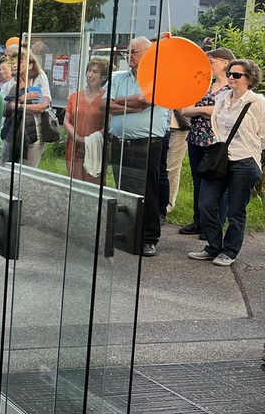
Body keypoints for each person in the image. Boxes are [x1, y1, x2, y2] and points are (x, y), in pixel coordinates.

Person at [188, 59, 265, 267]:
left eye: (236, 75)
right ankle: (213, 246)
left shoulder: (257, 102)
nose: (231, 77)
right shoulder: (221, 98)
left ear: (249, 78)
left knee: (235, 211)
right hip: (220, 159)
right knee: (206, 204)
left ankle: (230, 251)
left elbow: (263, 135)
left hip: (245, 161)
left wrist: (254, 154)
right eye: (230, 73)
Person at [103, 36, 169, 257]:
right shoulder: (118, 77)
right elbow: (103, 104)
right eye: (127, 52)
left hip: (146, 143)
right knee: (123, 189)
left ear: (148, 54)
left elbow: (146, 100)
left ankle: (149, 238)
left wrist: (119, 101)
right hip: (120, 141)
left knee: (147, 190)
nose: (129, 56)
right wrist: (132, 105)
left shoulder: (157, 78)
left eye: (134, 52)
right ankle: (128, 234)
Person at [177, 48, 236, 238]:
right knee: (198, 180)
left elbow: (228, 111)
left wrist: (201, 109)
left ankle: (215, 224)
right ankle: (199, 221)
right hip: (196, 138)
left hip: (218, 141)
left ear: (225, 62)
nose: (208, 66)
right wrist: (207, 110)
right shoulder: (203, 85)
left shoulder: (232, 87)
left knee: (218, 180)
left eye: (211, 62)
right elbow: (185, 110)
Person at [1, 48, 52, 168]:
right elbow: (3, 108)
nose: (15, 65)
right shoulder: (10, 84)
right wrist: (23, 97)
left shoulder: (37, 80)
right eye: (13, 62)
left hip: (33, 132)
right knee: (7, 168)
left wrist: (18, 105)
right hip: (11, 131)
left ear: (30, 65)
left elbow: (41, 107)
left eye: (19, 62)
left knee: (28, 170)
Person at [63, 57, 109, 183]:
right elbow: (66, 121)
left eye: (95, 72)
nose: (90, 75)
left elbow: (108, 125)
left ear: (103, 77)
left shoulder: (106, 97)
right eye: (89, 70)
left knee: (93, 182)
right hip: (74, 145)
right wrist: (78, 139)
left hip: (96, 147)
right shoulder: (75, 96)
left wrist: (89, 141)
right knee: (74, 181)